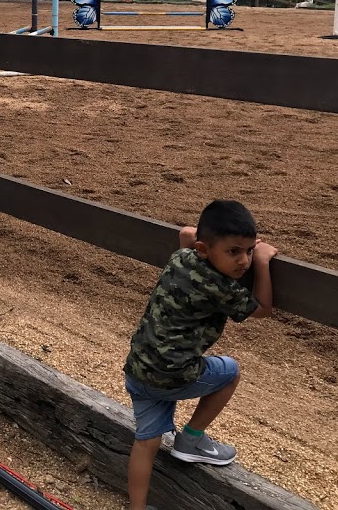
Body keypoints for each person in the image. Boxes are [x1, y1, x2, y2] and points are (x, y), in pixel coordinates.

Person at [124, 200, 275, 510]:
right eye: (234, 252)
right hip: (173, 376)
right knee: (230, 371)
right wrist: (263, 262)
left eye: (248, 251)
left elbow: (184, 234)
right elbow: (262, 309)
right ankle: (191, 440)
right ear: (205, 250)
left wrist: (222, 244)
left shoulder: (181, 257)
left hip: (139, 368)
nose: (243, 261)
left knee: (146, 441)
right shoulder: (221, 286)